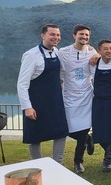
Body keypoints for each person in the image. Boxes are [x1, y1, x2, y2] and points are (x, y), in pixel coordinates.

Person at [17, 24, 68, 163]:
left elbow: (61, 72)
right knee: (35, 136)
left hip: (55, 101)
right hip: (36, 103)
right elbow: (22, 84)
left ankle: (58, 163)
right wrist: (27, 107)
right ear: (43, 35)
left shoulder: (57, 52)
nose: (56, 37)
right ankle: (38, 164)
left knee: (61, 132)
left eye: (58, 35)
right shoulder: (31, 55)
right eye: (52, 34)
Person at [59, 24, 96, 174]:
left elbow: (99, 62)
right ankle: (88, 139)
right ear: (74, 35)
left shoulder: (92, 51)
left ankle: (78, 162)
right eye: (81, 34)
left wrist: (98, 55)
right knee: (66, 129)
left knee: (82, 130)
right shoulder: (63, 52)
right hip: (68, 95)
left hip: (87, 95)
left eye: (87, 35)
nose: (84, 37)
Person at [91, 39, 111, 173]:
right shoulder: (93, 63)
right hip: (99, 101)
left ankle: (107, 161)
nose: (109, 51)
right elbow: (84, 48)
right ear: (99, 51)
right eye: (106, 49)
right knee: (99, 130)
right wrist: (94, 55)